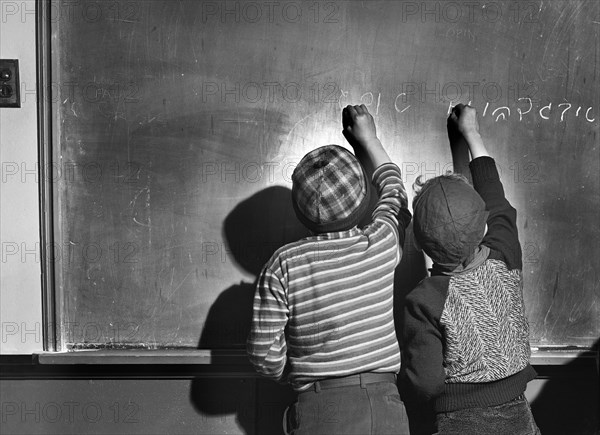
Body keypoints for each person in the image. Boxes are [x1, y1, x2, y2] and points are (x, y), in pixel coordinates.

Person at [247, 104, 412, 434]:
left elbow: (263, 354)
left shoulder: (283, 265)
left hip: (320, 407)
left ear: (299, 212)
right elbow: (395, 195)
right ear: (364, 197)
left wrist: (299, 372)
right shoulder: (379, 243)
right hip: (383, 406)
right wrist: (369, 139)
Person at [400, 104, 541, 434]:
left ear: (419, 244)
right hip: (518, 413)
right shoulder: (504, 255)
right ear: (484, 228)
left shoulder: (424, 299)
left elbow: (426, 381)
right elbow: (495, 198)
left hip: (459, 421)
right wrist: (471, 134)